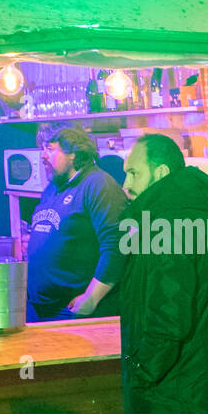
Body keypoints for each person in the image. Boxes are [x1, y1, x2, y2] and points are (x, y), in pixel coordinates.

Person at [119, 134, 208, 413]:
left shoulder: (167, 222)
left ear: (161, 173)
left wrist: (139, 374)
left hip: (173, 394)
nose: (126, 185)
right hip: (207, 386)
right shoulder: (203, 210)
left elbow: (168, 318)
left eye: (133, 173)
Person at [25, 127, 127, 321]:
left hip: (74, 310)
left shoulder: (97, 184)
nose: (42, 156)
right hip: (40, 309)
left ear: (72, 152)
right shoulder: (52, 188)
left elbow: (117, 244)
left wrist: (92, 297)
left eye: (49, 149)